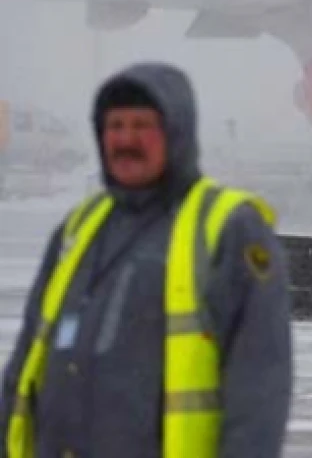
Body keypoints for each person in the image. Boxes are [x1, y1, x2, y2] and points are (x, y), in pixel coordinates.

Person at [0, 62, 293, 458]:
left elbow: (259, 385)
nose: (126, 140)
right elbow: (26, 362)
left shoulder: (228, 228)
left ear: (176, 134)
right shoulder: (80, 228)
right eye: (115, 126)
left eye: (142, 126)